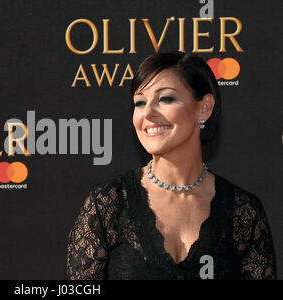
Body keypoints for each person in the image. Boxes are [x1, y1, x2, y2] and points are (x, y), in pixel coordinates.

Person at [65, 51, 277, 280]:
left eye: (165, 98)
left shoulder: (243, 212)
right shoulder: (108, 204)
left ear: (204, 108)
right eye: (140, 102)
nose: (148, 113)